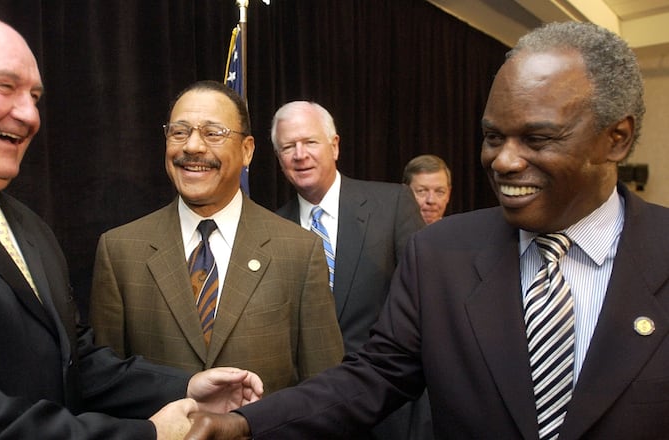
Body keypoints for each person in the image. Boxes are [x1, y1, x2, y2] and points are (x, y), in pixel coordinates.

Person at [185, 21, 669, 439]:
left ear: (616, 139)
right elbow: (370, 378)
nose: (503, 160)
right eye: (493, 137)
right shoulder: (441, 254)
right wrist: (249, 424)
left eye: (538, 138)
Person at [0, 8, 264, 439]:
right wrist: (147, 436)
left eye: (35, 97)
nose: (29, 116)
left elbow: (71, 358)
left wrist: (185, 387)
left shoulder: (26, 226)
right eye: (5, 87)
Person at [89, 81, 344, 395]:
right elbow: (104, 383)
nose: (193, 146)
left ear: (247, 150)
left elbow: (327, 393)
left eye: (213, 133)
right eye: (179, 132)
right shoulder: (120, 251)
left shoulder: (299, 251)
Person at [270, 101, 430, 439]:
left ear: (335, 146)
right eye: (288, 146)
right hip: (307, 414)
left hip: (390, 411)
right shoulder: (270, 230)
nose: (300, 154)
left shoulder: (393, 204)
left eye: (310, 142)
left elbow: (426, 305)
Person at [402, 154, 452, 224]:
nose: (431, 200)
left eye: (440, 192)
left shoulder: (460, 233)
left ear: (448, 195)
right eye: (422, 191)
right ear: (404, 193)